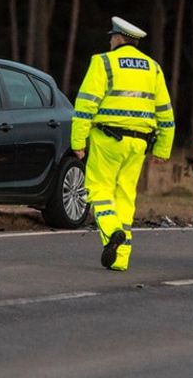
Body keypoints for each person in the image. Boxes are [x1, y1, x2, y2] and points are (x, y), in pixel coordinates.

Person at [71, 16, 175, 271]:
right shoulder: (154, 68)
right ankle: (121, 259)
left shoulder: (103, 62)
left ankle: (112, 230)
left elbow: (85, 105)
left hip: (108, 140)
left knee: (99, 190)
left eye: (111, 37)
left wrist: (78, 141)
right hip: (139, 144)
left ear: (118, 38)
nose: (109, 40)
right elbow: (166, 112)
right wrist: (162, 149)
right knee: (125, 197)